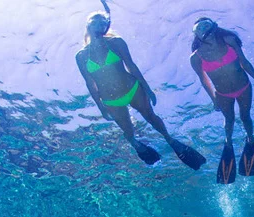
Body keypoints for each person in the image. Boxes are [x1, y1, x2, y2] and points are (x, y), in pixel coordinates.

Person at [77, 2, 205, 169]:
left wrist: (147, 88)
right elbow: (90, 84)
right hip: (111, 100)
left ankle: (171, 140)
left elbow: (131, 66)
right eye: (95, 22)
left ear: (107, 26)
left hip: (132, 89)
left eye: (103, 23)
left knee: (150, 116)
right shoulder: (81, 56)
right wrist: (101, 108)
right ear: (88, 26)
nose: (99, 26)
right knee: (128, 133)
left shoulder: (115, 42)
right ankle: (138, 145)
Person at [190, 17, 254, 184]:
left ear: (214, 27)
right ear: (196, 35)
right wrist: (213, 98)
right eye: (200, 29)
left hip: (244, 87)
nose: (204, 30)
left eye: (206, 26)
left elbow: (244, 63)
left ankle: (250, 139)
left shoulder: (229, 41)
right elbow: (203, 80)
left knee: (245, 116)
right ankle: (228, 143)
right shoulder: (196, 58)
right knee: (229, 119)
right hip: (222, 94)